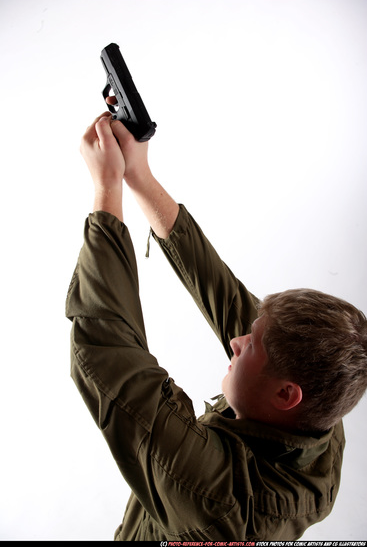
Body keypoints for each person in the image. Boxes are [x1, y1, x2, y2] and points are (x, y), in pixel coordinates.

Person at [66, 110, 367, 541]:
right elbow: (219, 289)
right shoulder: (320, 414)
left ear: (287, 394)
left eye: (252, 344)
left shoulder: (218, 498)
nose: (237, 339)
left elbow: (106, 352)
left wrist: (106, 187)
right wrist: (139, 176)